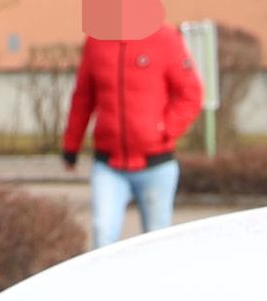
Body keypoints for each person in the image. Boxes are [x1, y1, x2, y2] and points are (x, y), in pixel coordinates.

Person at [61, 0, 204, 249]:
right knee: (103, 233)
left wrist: (165, 129)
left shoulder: (165, 38)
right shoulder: (96, 41)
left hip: (156, 165)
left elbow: (190, 93)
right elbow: (83, 98)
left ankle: (155, 288)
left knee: (155, 242)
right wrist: (71, 146)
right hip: (109, 166)